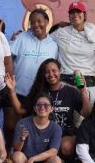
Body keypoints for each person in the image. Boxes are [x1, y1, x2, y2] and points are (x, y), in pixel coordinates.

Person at [6, 58, 90, 160]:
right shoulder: (39, 92)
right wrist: (12, 91)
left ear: (60, 71)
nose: (51, 74)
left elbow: (86, 113)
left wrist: (83, 91)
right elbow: (20, 110)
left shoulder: (71, 92)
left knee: (66, 146)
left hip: (65, 134)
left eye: (54, 71)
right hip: (43, 134)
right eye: (47, 72)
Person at [6, 8, 58, 142]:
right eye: (32, 22)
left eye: (39, 21)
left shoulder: (53, 45)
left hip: (38, 94)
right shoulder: (22, 38)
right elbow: (7, 56)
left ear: (47, 21)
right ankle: (7, 151)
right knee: (10, 126)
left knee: (29, 130)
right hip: (18, 90)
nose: (36, 25)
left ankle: (23, 153)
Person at [49, 1, 95, 103]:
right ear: (69, 16)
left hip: (88, 85)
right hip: (65, 84)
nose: (75, 15)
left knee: (88, 113)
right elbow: (45, 40)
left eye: (78, 12)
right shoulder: (61, 32)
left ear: (84, 15)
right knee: (65, 113)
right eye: (72, 12)